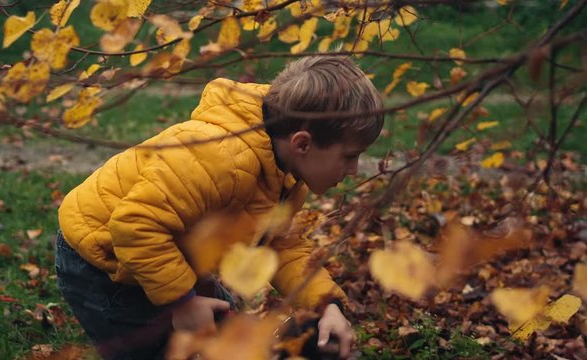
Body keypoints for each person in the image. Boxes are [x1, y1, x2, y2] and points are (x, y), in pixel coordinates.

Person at [55, 55, 384, 359]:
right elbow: (134, 225)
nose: (354, 170)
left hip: (165, 248)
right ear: (302, 143)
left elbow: (283, 247)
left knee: (223, 334)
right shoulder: (221, 158)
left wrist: (326, 305)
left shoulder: (285, 171)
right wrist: (181, 303)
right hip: (101, 261)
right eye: (350, 156)